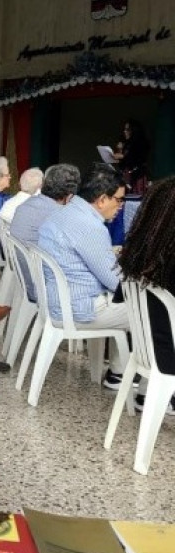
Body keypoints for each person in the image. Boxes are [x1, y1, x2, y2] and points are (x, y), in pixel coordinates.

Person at [37, 164, 130, 388]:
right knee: (155, 311)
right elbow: (116, 282)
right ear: (101, 200)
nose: (121, 206)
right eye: (118, 200)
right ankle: (147, 390)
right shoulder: (89, 226)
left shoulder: (63, 213)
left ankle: (119, 372)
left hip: (57, 301)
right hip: (79, 309)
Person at [119, 175, 175, 414]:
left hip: (148, 351)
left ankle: (144, 391)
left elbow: (118, 296)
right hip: (168, 356)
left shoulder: (139, 256)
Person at [11, 163, 81, 247]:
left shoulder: (27, 203)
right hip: (37, 258)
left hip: (16, 257)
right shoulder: (60, 215)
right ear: (70, 196)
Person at [112, 118, 149, 193]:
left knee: (135, 197)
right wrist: (119, 150)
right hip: (126, 176)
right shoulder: (126, 143)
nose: (124, 132)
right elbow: (122, 163)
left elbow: (137, 158)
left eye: (127, 130)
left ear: (134, 131)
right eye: (124, 129)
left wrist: (122, 156)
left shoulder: (141, 143)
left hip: (137, 176)